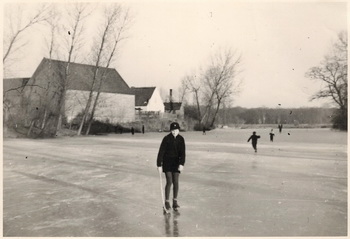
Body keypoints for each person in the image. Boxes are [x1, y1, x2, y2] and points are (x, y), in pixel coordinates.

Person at [157, 122, 186, 211]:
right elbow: (161, 152)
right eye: (173, 130)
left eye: (176, 130)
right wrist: (159, 164)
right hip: (167, 163)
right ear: (171, 130)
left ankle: (175, 202)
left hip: (176, 163)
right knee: (169, 181)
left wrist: (181, 164)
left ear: (178, 130)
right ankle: (166, 202)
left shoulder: (181, 139)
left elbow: (183, 153)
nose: (174, 132)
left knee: (176, 182)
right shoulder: (166, 139)